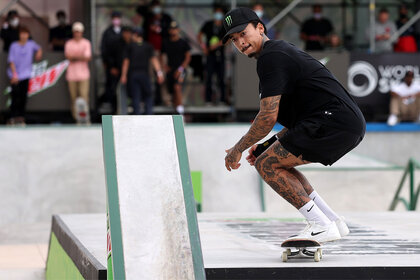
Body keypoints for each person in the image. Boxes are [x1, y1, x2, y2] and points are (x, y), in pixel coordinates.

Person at [222, 8, 366, 243]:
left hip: (332, 120)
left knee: (267, 165)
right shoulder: (278, 54)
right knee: (272, 159)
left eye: (243, 34)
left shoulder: (271, 57)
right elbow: (299, 120)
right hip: (339, 120)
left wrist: (237, 149)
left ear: (260, 28)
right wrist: (267, 144)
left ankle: (320, 225)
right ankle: (332, 221)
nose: (240, 42)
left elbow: (267, 117)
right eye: (234, 40)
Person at [120, 28, 164, 115]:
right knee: (148, 95)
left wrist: (123, 75)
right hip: (144, 74)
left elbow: (126, 62)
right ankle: (149, 115)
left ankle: (137, 116)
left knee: (136, 96)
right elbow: (154, 60)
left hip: (133, 75)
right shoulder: (148, 46)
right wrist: (159, 73)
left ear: (136, 35)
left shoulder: (130, 46)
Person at [7, 26, 42, 125]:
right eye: (22, 33)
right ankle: (13, 117)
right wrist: (14, 75)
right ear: (19, 35)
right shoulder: (14, 46)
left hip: (26, 75)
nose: (23, 35)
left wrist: (39, 53)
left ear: (28, 35)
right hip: (15, 76)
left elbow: (39, 48)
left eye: (25, 33)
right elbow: (11, 61)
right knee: (15, 97)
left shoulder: (31, 44)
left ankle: (21, 118)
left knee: (23, 97)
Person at [197, 5, 227, 104]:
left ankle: (222, 99)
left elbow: (229, 39)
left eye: (220, 13)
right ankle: (208, 100)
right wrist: (203, 46)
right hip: (210, 55)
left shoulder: (224, 26)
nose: (218, 15)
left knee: (221, 78)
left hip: (221, 55)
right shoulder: (208, 24)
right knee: (209, 77)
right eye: (216, 12)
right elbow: (199, 35)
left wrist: (218, 44)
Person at [161, 21, 191, 115]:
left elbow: (188, 57)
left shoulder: (183, 42)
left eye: (175, 29)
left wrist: (181, 69)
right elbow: (162, 55)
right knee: (173, 91)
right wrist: (164, 66)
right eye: (171, 29)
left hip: (180, 70)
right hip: (171, 69)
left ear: (178, 30)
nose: (173, 31)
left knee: (177, 87)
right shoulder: (166, 42)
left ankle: (180, 111)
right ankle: (176, 111)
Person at [64, 22, 92, 123]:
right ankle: (77, 119)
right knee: (74, 98)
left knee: (84, 97)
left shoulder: (86, 43)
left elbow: (87, 57)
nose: (77, 34)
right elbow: (68, 57)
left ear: (82, 32)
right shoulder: (69, 43)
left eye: (79, 32)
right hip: (71, 75)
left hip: (83, 75)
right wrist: (80, 57)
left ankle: (85, 118)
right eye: (76, 32)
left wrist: (75, 57)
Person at [100, 11, 124, 114]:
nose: (116, 20)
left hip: (124, 66)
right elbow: (104, 50)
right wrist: (111, 66)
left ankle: (123, 109)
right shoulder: (107, 32)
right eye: (114, 18)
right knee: (112, 87)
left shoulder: (124, 31)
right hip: (112, 66)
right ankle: (113, 109)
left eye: (118, 17)